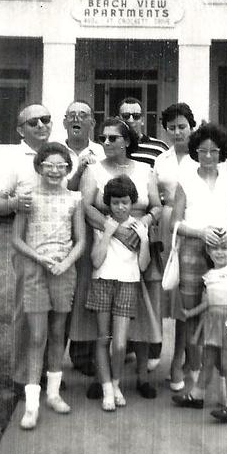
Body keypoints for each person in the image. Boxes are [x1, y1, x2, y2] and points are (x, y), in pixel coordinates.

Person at [72, 117, 162, 399]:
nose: (106, 142)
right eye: (103, 138)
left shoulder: (146, 170)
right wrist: (119, 232)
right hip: (106, 242)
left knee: (144, 309)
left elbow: (157, 206)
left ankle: (143, 376)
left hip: (141, 243)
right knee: (102, 316)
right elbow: (86, 206)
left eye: (112, 138)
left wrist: (144, 223)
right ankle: (103, 379)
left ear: (126, 141)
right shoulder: (94, 171)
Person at [11, 142, 86, 429]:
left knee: (57, 334)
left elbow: (80, 240)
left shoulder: (74, 199)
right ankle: (31, 405)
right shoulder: (28, 198)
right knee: (37, 336)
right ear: (39, 167)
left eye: (61, 166)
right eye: (49, 166)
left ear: (68, 169)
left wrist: (66, 263)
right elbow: (16, 239)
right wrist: (40, 258)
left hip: (63, 271)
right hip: (36, 270)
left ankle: (53, 394)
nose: (55, 171)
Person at [169, 122, 227, 394]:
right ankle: (195, 378)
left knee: (223, 313)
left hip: (222, 255)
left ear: (222, 152)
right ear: (195, 151)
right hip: (192, 251)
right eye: (203, 151)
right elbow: (174, 223)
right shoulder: (186, 182)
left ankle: (225, 382)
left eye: (214, 151)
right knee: (190, 316)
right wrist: (201, 233)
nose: (208, 156)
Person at [0, 104, 53, 389]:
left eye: (46, 120)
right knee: (27, 311)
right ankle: (21, 376)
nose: (41, 125)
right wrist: (15, 203)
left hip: (59, 246)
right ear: (20, 130)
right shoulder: (14, 160)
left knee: (53, 312)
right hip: (28, 246)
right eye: (33, 122)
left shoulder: (57, 152)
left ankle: (46, 373)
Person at [171, 239, 227, 423]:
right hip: (211, 322)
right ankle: (197, 395)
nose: (220, 252)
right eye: (215, 248)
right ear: (208, 252)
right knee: (207, 361)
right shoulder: (209, 275)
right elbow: (207, 302)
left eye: (224, 248)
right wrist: (189, 312)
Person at [86, 175, 151, 411]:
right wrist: (107, 233)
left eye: (125, 202)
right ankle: (106, 390)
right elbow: (95, 260)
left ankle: (115, 384)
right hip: (103, 281)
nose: (120, 207)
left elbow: (143, 266)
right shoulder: (103, 223)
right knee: (103, 338)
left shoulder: (139, 226)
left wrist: (144, 240)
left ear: (132, 202)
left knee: (121, 345)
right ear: (108, 203)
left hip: (128, 283)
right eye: (115, 203)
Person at [118, 96, 168, 369]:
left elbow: (159, 189)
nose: (131, 121)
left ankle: (153, 347)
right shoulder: (113, 147)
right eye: (125, 116)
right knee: (124, 287)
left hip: (149, 225)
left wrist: (147, 223)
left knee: (151, 287)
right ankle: (125, 345)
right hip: (121, 229)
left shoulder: (158, 148)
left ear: (143, 118)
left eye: (136, 116)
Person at [56, 99, 104, 376]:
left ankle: (82, 355)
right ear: (64, 122)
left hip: (90, 229)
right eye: (71, 115)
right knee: (62, 291)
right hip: (61, 233)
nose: (77, 119)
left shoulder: (101, 150)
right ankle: (54, 359)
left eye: (83, 115)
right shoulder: (54, 152)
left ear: (92, 122)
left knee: (86, 290)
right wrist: (78, 171)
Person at [152, 103, 198, 388]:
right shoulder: (162, 159)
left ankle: (178, 361)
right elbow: (155, 193)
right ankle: (151, 353)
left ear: (191, 127)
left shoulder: (200, 158)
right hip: (166, 225)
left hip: (192, 226)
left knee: (186, 296)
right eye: (172, 127)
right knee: (160, 289)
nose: (177, 132)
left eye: (182, 126)